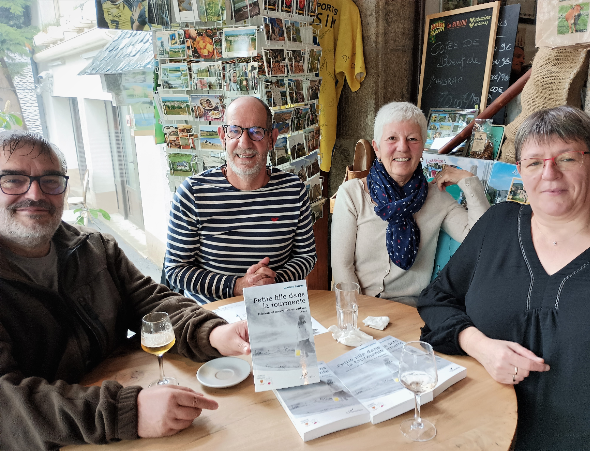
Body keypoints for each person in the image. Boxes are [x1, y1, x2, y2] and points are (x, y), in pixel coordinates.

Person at [0, 131, 252, 450]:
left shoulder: (95, 249)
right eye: (13, 180)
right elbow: (7, 403)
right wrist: (127, 412)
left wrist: (212, 333)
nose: (35, 194)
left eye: (50, 180)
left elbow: (152, 304)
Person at [417, 106, 590, 450]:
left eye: (567, 159)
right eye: (534, 162)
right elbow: (437, 299)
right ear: (520, 172)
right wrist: (479, 345)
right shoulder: (499, 224)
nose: (549, 174)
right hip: (477, 434)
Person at [331, 102, 489, 305]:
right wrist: (357, 316)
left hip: (411, 311)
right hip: (361, 308)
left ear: (423, 147)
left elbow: (481, 239)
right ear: (377, 148)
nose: (402, 147)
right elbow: (342, 267)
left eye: (412, 139)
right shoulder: (352, 194)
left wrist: (468, 181)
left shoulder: (436, 197)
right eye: (392, 138)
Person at [165, 96, 316, 304]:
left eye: (256, 132)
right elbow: (175, 270)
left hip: (274, 308)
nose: (244, 143)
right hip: (211, 320)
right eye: (235, 131)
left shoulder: (294, 191)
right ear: (222, 136)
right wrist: (237, 286)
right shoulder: (192, 194)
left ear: (272, 139)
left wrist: (272, 282)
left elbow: (307, 256)